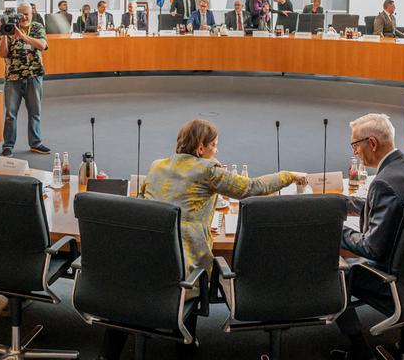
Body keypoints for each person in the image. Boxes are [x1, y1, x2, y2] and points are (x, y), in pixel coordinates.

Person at [96, 119, 306, 360]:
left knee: (131, 293)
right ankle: (185, 343)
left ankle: (107, 354)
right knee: (192, 275)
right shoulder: (208, 171)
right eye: (214, 145)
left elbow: (142, 205)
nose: (217, 151)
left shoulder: (156, 166)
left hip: (141, 262)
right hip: (183, 269)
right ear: (200, 148)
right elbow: (252, 188)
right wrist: (288, 175)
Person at [334, 113, 404, 359]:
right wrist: (346, 204)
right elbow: (401, 205)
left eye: (355, 145)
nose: (355, 152)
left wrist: (334, 230)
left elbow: (372, 248)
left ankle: (360, 351)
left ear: (371, 143)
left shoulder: (384, 183)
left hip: (397, 281)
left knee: (338, 273)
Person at [0, 2, 50, 156]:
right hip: (13, 77)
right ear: (16, 15)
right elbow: (2, 54)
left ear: (32, 14)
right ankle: (8, 145)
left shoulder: (37, 27)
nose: (25, 17)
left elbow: (42, 45)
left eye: (27, 13)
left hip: (34, 75)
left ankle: (36, 143)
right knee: (10, 114)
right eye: (21, 14)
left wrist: (22, 36)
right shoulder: (10, 28)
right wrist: (5, 34)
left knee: (35, 112)